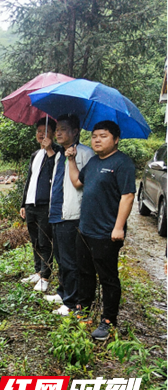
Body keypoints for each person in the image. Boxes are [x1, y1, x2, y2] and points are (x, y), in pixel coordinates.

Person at [66, 120, 136, 340]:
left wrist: (118, 227)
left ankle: (108, 321)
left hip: (106, 233)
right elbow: (78, 182)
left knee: (108, 278)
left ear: (116, 139)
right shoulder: (95, 162)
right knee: (84, 272)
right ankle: (83, 310)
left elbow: (128, 196)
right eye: (94, 135)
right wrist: (71, 159)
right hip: (85, 229)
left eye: (103, 135)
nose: (97, 139)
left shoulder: (122, 163)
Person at [46, 114, 94, 315]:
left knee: (70, 260)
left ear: (76, 132)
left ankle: (72, 302)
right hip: (56, 211)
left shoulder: (84, 154)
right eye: (57, 128)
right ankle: (63, 291)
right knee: (60, 256)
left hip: (72, 214)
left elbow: (86, 185)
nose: (58, 132)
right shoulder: (59, 154)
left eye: (63, 129)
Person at [20, 117, 60, 292]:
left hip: (45, 204)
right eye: (38, 132)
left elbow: (55, 172)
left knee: (45, 240)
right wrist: (23, 203)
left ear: (52, 134)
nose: (41, 135)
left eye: (45, 132)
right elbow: (29, 180)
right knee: (35, 240)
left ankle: (45, 276)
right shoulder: (35, 155)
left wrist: (49, 149)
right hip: (30, 204)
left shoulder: (57, 153)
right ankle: (37, 271)